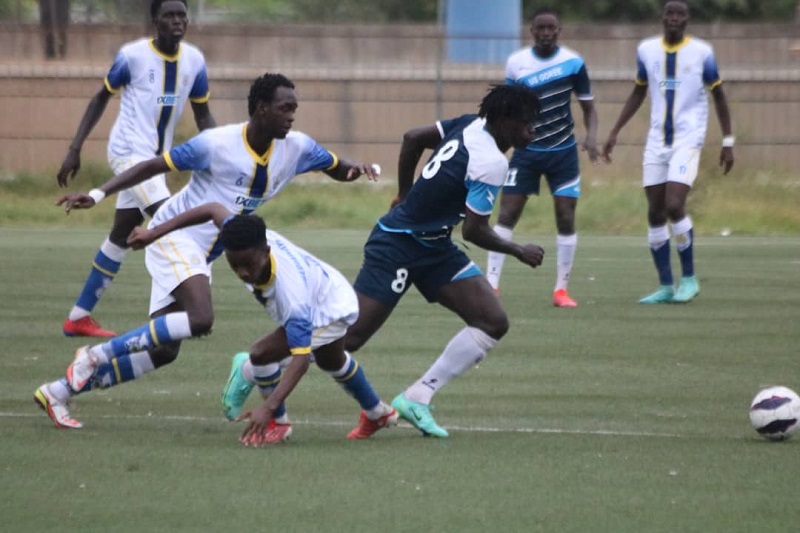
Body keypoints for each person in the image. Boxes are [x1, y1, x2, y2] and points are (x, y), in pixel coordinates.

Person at [34, 73, 380, 430]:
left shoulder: (298, 148)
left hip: (205, 251)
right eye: (285, 108)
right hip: (174, 235)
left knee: (163, 351)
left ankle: (58, 392)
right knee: (201, 319)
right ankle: (94, 356)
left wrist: (357, 169)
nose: (292, 115)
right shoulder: (215, 144)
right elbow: (154, 166)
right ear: (262, 109)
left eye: (295, 108)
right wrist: (97, 194)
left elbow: (338, 168)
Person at [344, 84, 545, 438]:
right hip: (397, 245)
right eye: (527, 122)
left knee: (492, 321)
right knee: (350, 337)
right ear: (503, 120)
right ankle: (258, 365)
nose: (533, 129)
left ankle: (417, 397)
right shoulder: (491, 162)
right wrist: (517, 250)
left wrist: (404, 193)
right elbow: (474, 231)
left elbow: (412, 138)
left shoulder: (470, 123)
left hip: (434, 247)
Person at [125, 204, 397, 445]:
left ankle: (278, 423)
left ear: (266, 252)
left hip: (329, 310)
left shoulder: (291, 296)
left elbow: (300, 362)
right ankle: (377, 413)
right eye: (235, 265)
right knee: (330, 360)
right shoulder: (242, 233)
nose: (243, 272)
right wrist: (153, 233)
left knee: (261, 355)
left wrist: (268, 406)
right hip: (326, 287)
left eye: (248, 264)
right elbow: (211, 209)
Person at [58, 0, 216, 338]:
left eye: (182, 15)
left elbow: (203, 114)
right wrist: (75, 148)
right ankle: (186, 312)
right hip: (129, 154)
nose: (177, 21)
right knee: (171, 222)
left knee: (121, 235)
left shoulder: (194, 60)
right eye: (170, 15)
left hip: (155, 161)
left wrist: (219, 151)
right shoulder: (132, 56)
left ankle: (78, 317)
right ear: (155, 20)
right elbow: (100, 97)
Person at [601, 0, 734, 304]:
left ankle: (689, 279)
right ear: (662, 18)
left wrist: (728, 141)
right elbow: (639, 90)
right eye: (669, 14)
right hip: (656, 142)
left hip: (688, 141)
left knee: (674, 205)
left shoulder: (702, 52)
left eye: (680, 14)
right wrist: (614, 131)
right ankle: (664, 285)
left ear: (687, 20)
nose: (674, 18)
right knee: (654, 212)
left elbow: (720, 97)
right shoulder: (647, 49)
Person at [485, 7, 598, 308]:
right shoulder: (517, 63)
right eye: (541, 28)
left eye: (552, 28)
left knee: (565, 216)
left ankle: (561, 290)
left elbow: (588, 107)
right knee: (507, 214)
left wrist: (591, 135)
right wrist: (499, 144)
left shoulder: (573, 63)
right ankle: (491, 286)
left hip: (562, 152)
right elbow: (506, 109)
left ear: (559, 31)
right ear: (532, 31)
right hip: (526, 152)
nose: (546, 33)